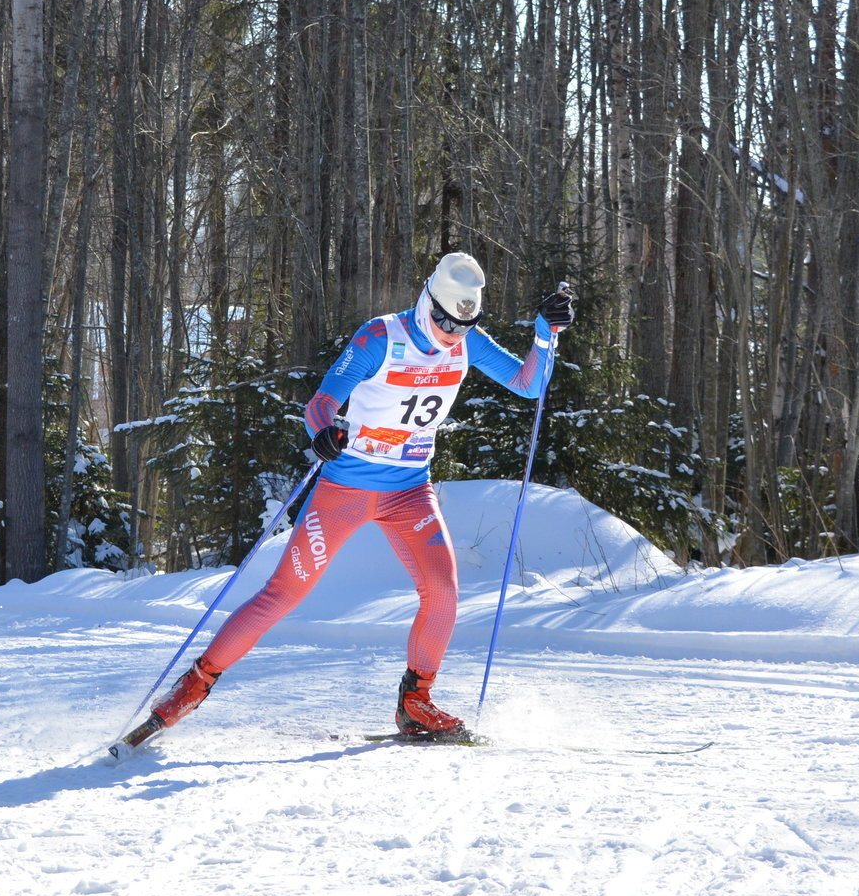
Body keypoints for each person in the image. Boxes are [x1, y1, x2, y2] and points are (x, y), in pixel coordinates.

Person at [123, 254, 574, 747]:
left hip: (409, 491)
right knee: (282, 596)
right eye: (445, 321)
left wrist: (544, 332)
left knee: (443, 592)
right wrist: (321, 433)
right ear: (428, 302)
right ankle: (192, 686)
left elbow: (529, 385)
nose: (451, 334)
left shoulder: (467, 342)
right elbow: (321, 402)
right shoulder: (380, 337)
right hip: (346, 490)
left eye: (464, 324)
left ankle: (415, 701)